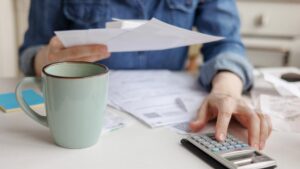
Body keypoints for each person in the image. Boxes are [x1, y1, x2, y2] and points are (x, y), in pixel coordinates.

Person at [20, 0, 272, 150]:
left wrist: (225, 92)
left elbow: (226, 44)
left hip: (171, 129)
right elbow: (31, 50)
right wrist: (48, 58)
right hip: (88, 123)